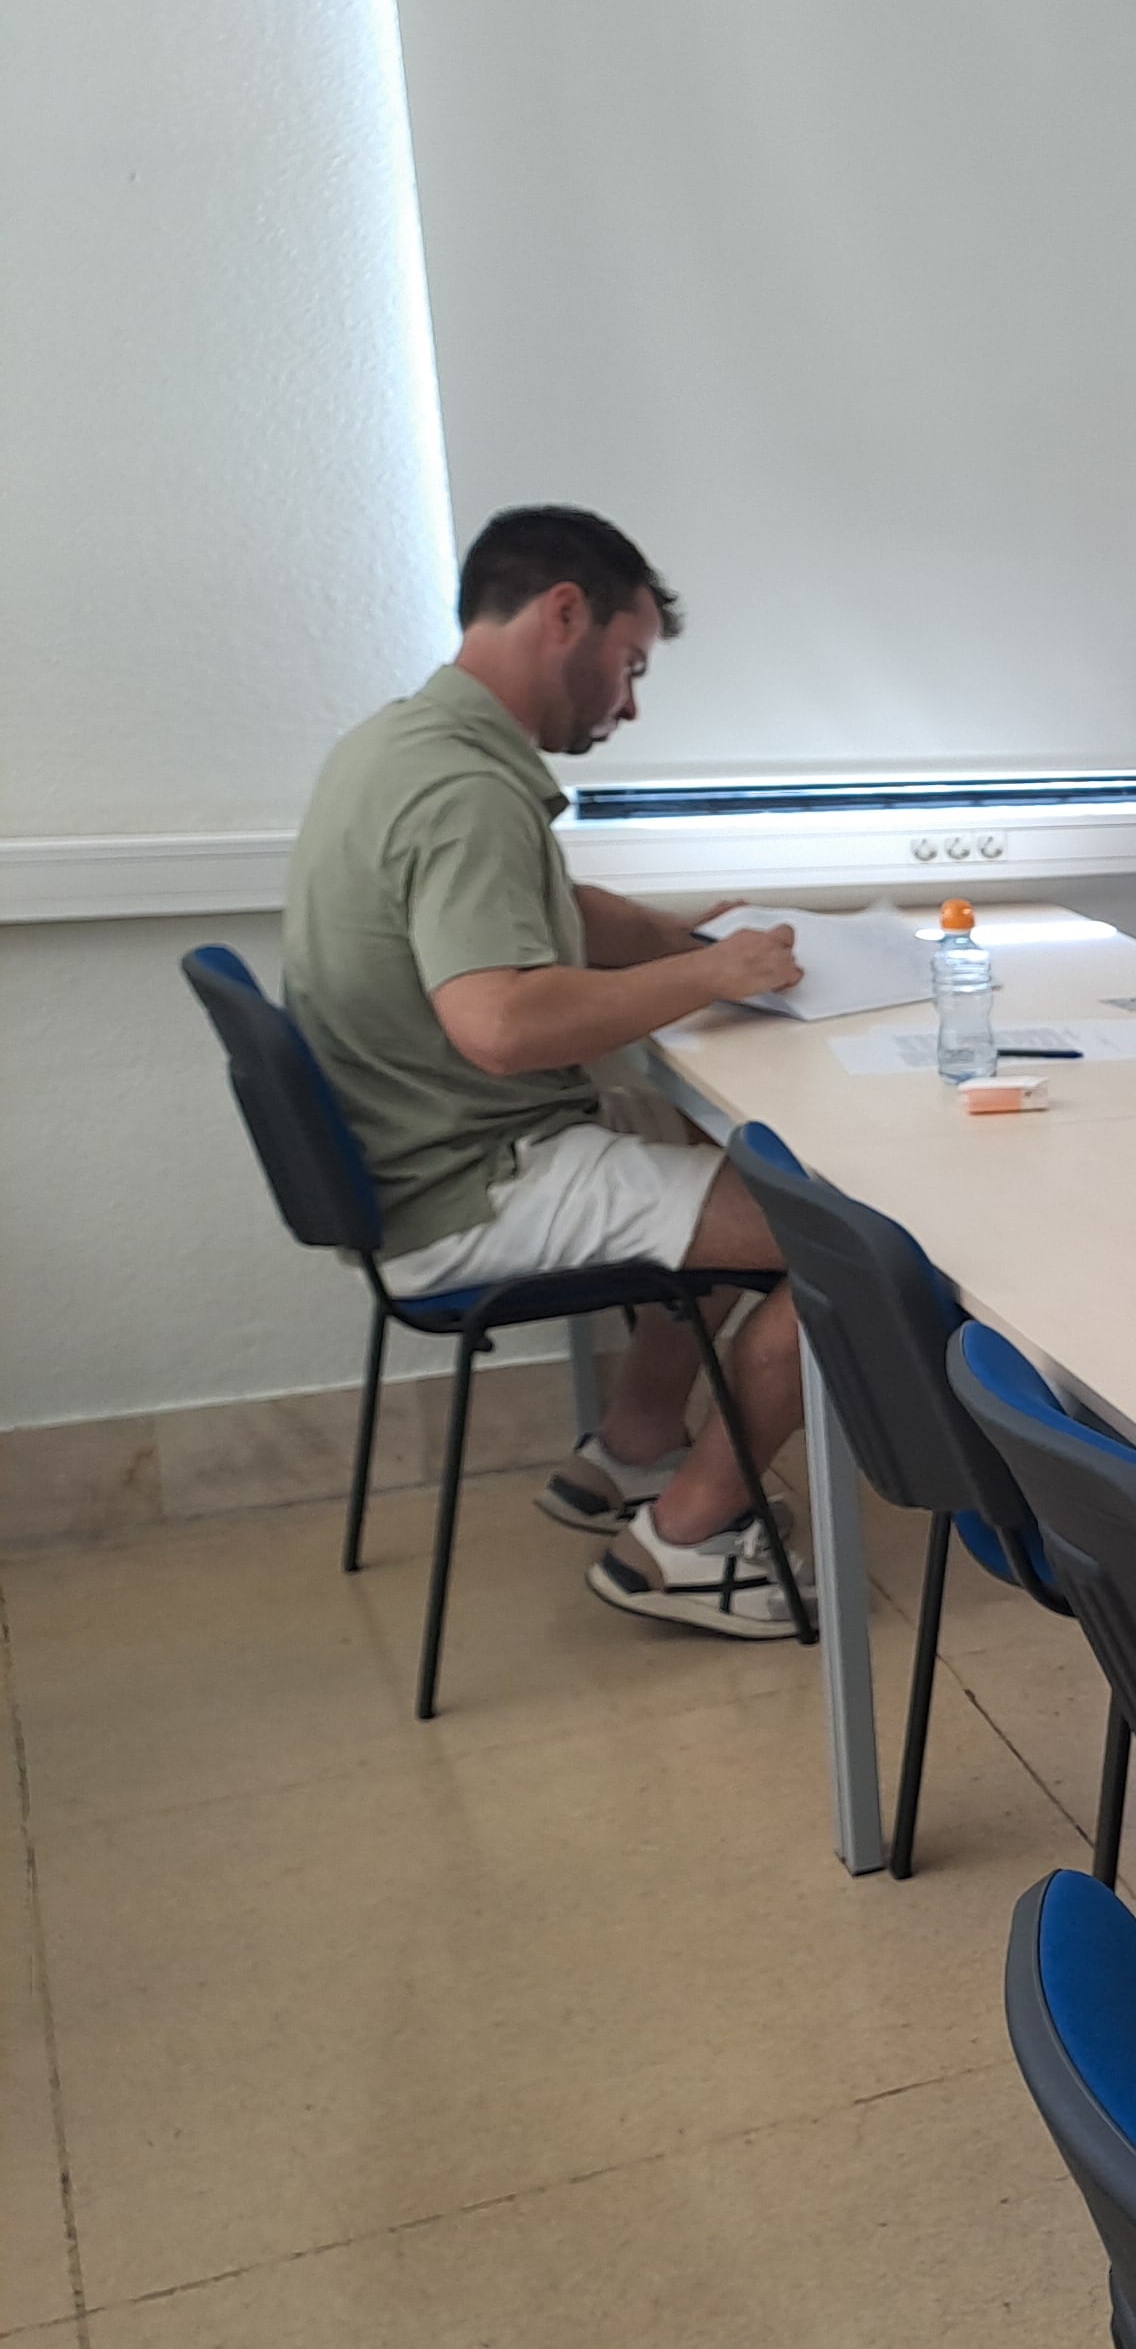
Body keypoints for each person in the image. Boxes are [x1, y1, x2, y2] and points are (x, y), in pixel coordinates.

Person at [280, 505, 812, 1636]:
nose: (627, 703)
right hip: (475, 1178)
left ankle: (626, 1450)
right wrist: (714, 981)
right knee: (855, 1241)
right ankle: (686, 1540)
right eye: (628, 666)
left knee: (706, 1150)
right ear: (564, 614)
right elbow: (504, 1023)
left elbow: (546, 915)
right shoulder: (464, 790)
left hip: (422, 1152)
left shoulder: (406, 745)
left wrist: (684, 941)